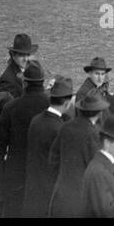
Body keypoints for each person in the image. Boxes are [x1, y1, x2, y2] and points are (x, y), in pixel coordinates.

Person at [0, 60, 49, 217]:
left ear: (24, 83)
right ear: (42, 82)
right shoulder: (50, 106)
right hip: (43, 176)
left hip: (15, 175)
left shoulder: (11, 107)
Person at [47, 90, 107, 217]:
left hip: (61, 195)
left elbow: (53, 159)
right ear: (99, 113)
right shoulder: (94, 134)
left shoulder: (65, 127)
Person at [21, 76, 74, 217]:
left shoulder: (36, 120)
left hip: (33, 189)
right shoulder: (60, 129)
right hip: (50, 194)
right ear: (67, 102)